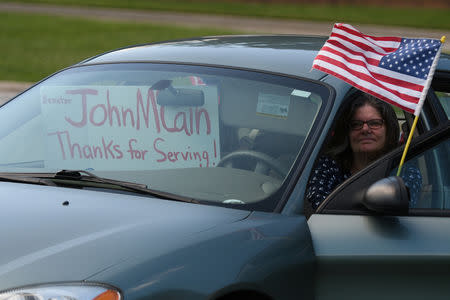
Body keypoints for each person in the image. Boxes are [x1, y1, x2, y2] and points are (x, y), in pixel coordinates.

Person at [306, 93, 422, 210]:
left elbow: (398, 212)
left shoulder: (404, 171)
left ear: (389, 130)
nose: (365, 129)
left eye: (375, 123)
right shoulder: (329, 165)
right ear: (348, 132)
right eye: (356, 124)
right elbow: (318, 206)